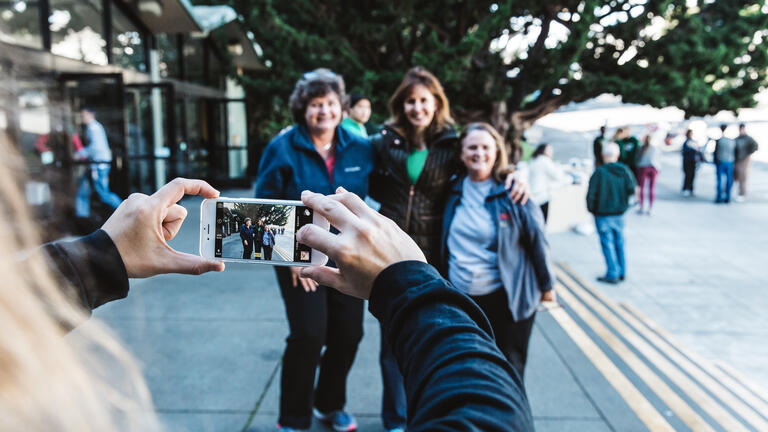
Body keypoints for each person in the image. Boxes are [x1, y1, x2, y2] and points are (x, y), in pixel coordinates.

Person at [368, 67, 529, 432]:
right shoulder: (384, 141)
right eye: (410, 100)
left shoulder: (450, 144)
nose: (417, 107)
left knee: (429, 338)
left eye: (424, 100)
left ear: (436, 103)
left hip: (434, 257)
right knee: (390, 342)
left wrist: (517, 173)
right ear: (401, 105)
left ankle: (423, 415)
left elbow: (484, 162)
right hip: (387, 254)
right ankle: (395, 420)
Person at [255, 68, 373, 432]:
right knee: (309, 333)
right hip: (296, 256)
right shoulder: (283, 147)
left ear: (342, 107)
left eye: (331, 104)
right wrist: (288, 255)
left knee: (349, 334)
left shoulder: (360, 146)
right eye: (315, 105)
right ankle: (293, 419)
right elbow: (263, 205)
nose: (324, 111)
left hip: (346, 255)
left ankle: (329, 404)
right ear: (303, 109)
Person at [441, 123, 556, 377]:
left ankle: (512, 418)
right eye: (472, 147)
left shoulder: (513, 192)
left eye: (485, 147)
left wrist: (547, 286)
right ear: (461, 153)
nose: (479, 153)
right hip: (462, 298)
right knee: (467, 371)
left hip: (506, 299)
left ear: (496, 153)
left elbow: (538, 240)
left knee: (508, 372)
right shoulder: (450, 190)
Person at [587, 142, 637, 284]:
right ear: (618, 155)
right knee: (619, 244)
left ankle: (612, 273)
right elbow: (632, 190)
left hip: (603, 215)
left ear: (603, 155)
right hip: (619, 214)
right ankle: (621, 271)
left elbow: (591, 195)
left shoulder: (600, 173)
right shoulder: (625, 171)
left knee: (607, 244)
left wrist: (593, 210)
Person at [75, 107, 122, 220]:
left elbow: (95, 147)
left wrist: (80, 153)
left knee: (103, 194)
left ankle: (124, 210)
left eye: (84, 115)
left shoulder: (94, 128)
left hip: (98, 166)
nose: (82, 118)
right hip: (94, 165)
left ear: (90, 114)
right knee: (83, 191)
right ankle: (82, 217)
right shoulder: (93, 127)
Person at [528, 143, 570, 222]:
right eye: (549, 150)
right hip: (542, 195)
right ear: (544, 150)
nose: (551, 152)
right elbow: (557, 176)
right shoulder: (544, 161)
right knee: (542, 221)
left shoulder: (533, 160)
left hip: (532, 195)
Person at [636, 135, 661, 215]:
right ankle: (651, 208)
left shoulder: (640, 148)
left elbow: (637, 158)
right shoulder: (655, 149)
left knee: (642, 188)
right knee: (651, 188)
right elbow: (658, 159)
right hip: (653, 168)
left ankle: (642, 206)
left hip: (643, 168)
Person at [734, 123, 758, 202]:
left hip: (744, 161)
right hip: (736, 160)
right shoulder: (737, 138)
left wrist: (748, 154)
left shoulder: (748, 138)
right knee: (735, 177)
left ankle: (742, 194)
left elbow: (755, 146)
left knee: (743, 177)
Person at [714, 124, 736, 204]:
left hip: (721, 161)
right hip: (730, 161)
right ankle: (728, 197)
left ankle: (719, 197)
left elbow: (715, 152)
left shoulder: (719, 140)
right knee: (728, 180)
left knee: (720, 180)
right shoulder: (732, 140)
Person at [681, 129, 701, 196]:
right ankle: (686, 188)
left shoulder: (693, 142)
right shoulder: (686, 142)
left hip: (693, 162)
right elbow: (685, 152)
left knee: (692, 175)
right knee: (688, 175)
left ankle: (691, 188)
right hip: (687, 162)